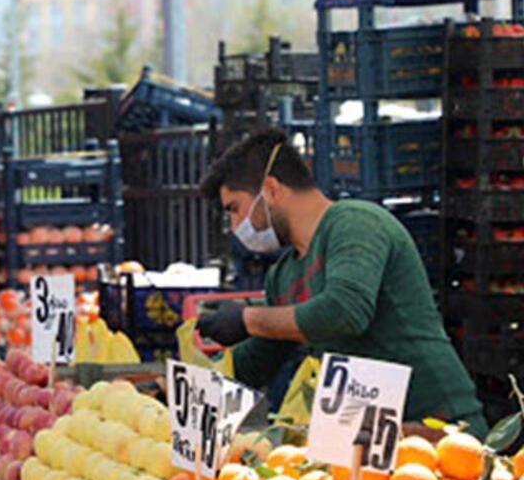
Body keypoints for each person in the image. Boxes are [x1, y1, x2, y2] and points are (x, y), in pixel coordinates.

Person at [195, 129, 486, 433]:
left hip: (436, 430)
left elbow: (344, 311)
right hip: (364, 440)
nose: (234, 225)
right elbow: (259, 358)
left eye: (234, 209)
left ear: (270, 190)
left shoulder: (356, 223)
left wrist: (247, 318)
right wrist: (184, 390)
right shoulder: (283, 274)